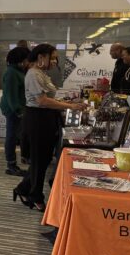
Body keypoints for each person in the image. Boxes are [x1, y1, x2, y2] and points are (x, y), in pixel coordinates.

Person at [14, 44, 86, 212]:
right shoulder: (33, 74)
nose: (54, 61)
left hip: (45, 118)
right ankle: (35, 196)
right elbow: (42, 101)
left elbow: (48, 98)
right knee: (40, 160)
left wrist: (67, 103)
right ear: (41, 57)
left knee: (43, 159)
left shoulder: (41, 73)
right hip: (38, 119)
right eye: (52, 58)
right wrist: (70, 106)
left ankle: (23, 188)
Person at [0, 47, 31, 176]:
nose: (28, 62)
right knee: (11, 137)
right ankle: (11, 165)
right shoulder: (12, 73)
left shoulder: (18, 71)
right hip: (13, 109)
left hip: (17, 108)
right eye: (27, 59)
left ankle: (15, 162)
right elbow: (11, 96)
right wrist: (19, 111)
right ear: (21, 59)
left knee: (16, 136)